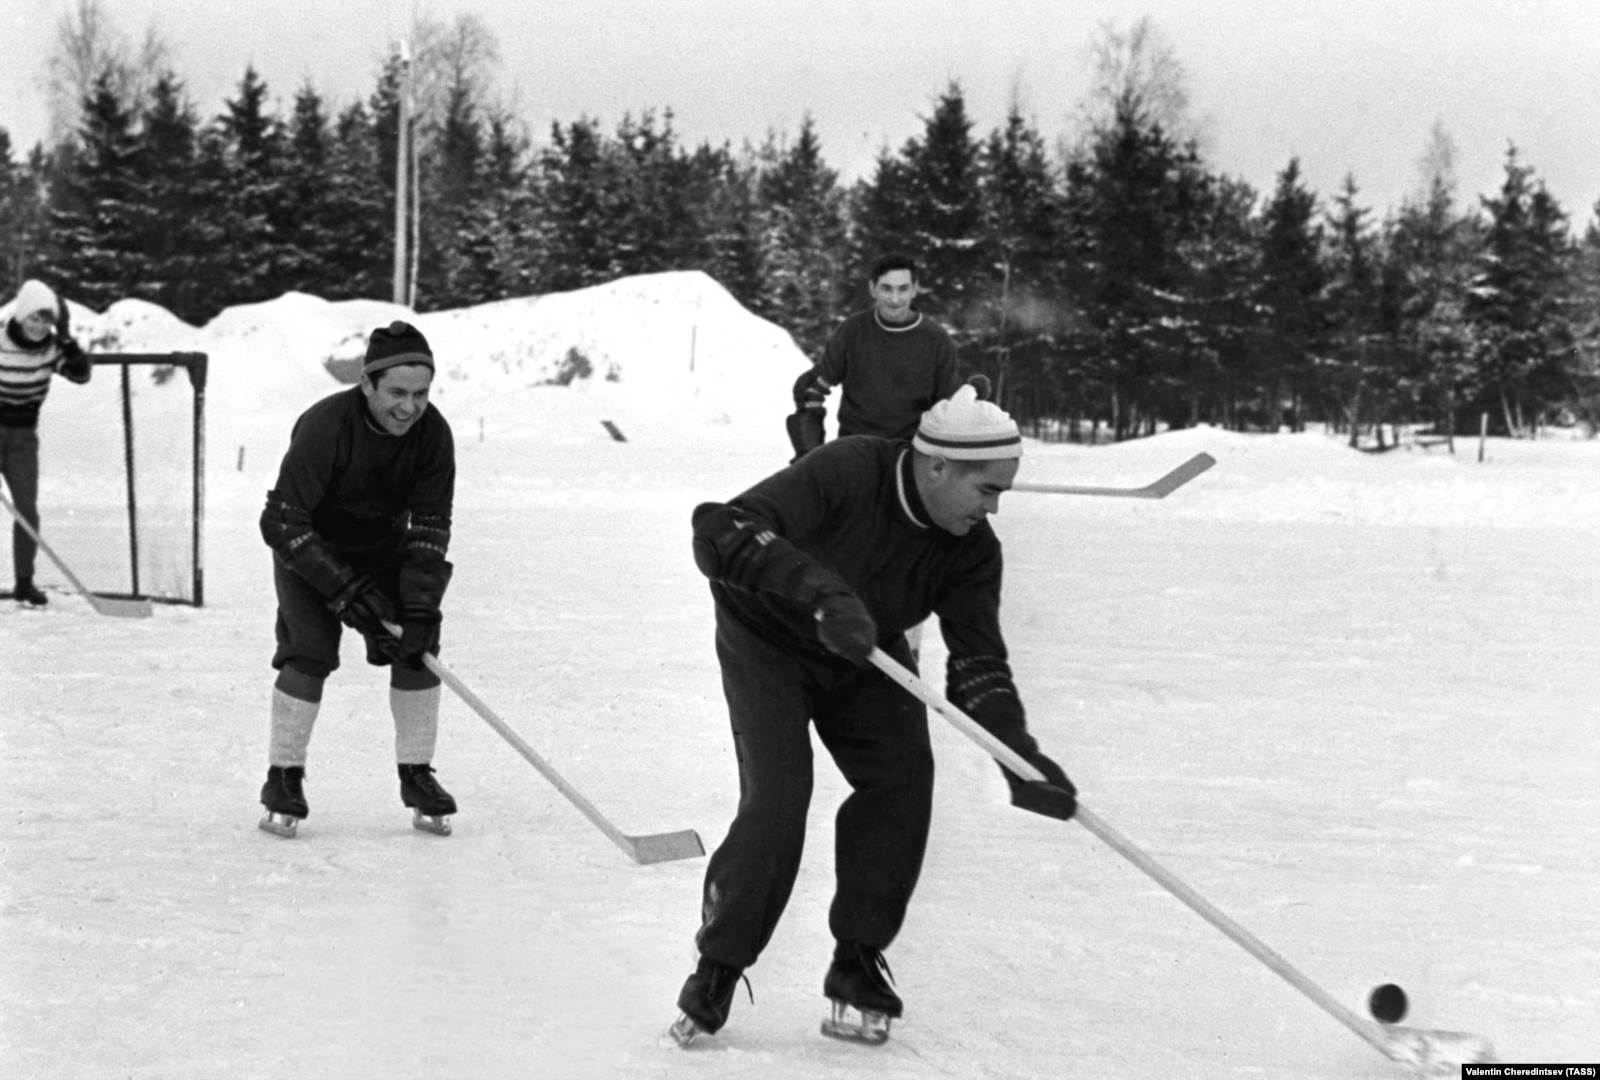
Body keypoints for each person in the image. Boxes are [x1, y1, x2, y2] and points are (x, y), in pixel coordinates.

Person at [671, 384, 1076, 1047]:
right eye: (988, 489)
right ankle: (718, 966)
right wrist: (823, 593)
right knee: (778, 800)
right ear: (939, 466)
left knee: (902, 781)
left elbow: (980, 665)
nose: (994, 507)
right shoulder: (850, 469)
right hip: (767, 638)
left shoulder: (973, 549)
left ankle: (856, 962)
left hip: (866, 650)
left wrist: (1017, 752)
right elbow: (720, 530)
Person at [256, 320, 458, 839]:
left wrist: (420, 605)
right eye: (396, 392)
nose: (409, 407)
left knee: (419, 646)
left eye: (420, 393)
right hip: (309, 548)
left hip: (381, 549)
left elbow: (430, 526)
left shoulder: (433, 435)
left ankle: (417, 775)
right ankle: (283, 776)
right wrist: (344, 591)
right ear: (366, 384)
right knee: (309, 651)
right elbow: (281, 522)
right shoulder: (327, 425)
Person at [786, 253, 970, 462]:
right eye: (886, 288)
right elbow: (811, 389)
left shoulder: (936, 339)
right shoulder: (852, 332)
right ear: (872, 288)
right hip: (855, 453)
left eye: (903, 288)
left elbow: (949, 407)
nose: (895, 299)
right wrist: (810, 454)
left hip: (909, 459)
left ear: (914, 289)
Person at [0, 279, 91, 606]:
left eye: (47, 320)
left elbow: (81, 375)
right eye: (34, 318)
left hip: (23, 439)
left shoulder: (52, 348)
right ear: (22, 315)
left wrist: (67, 341)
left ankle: (24, 582)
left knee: (27, 512)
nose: (39, 326)